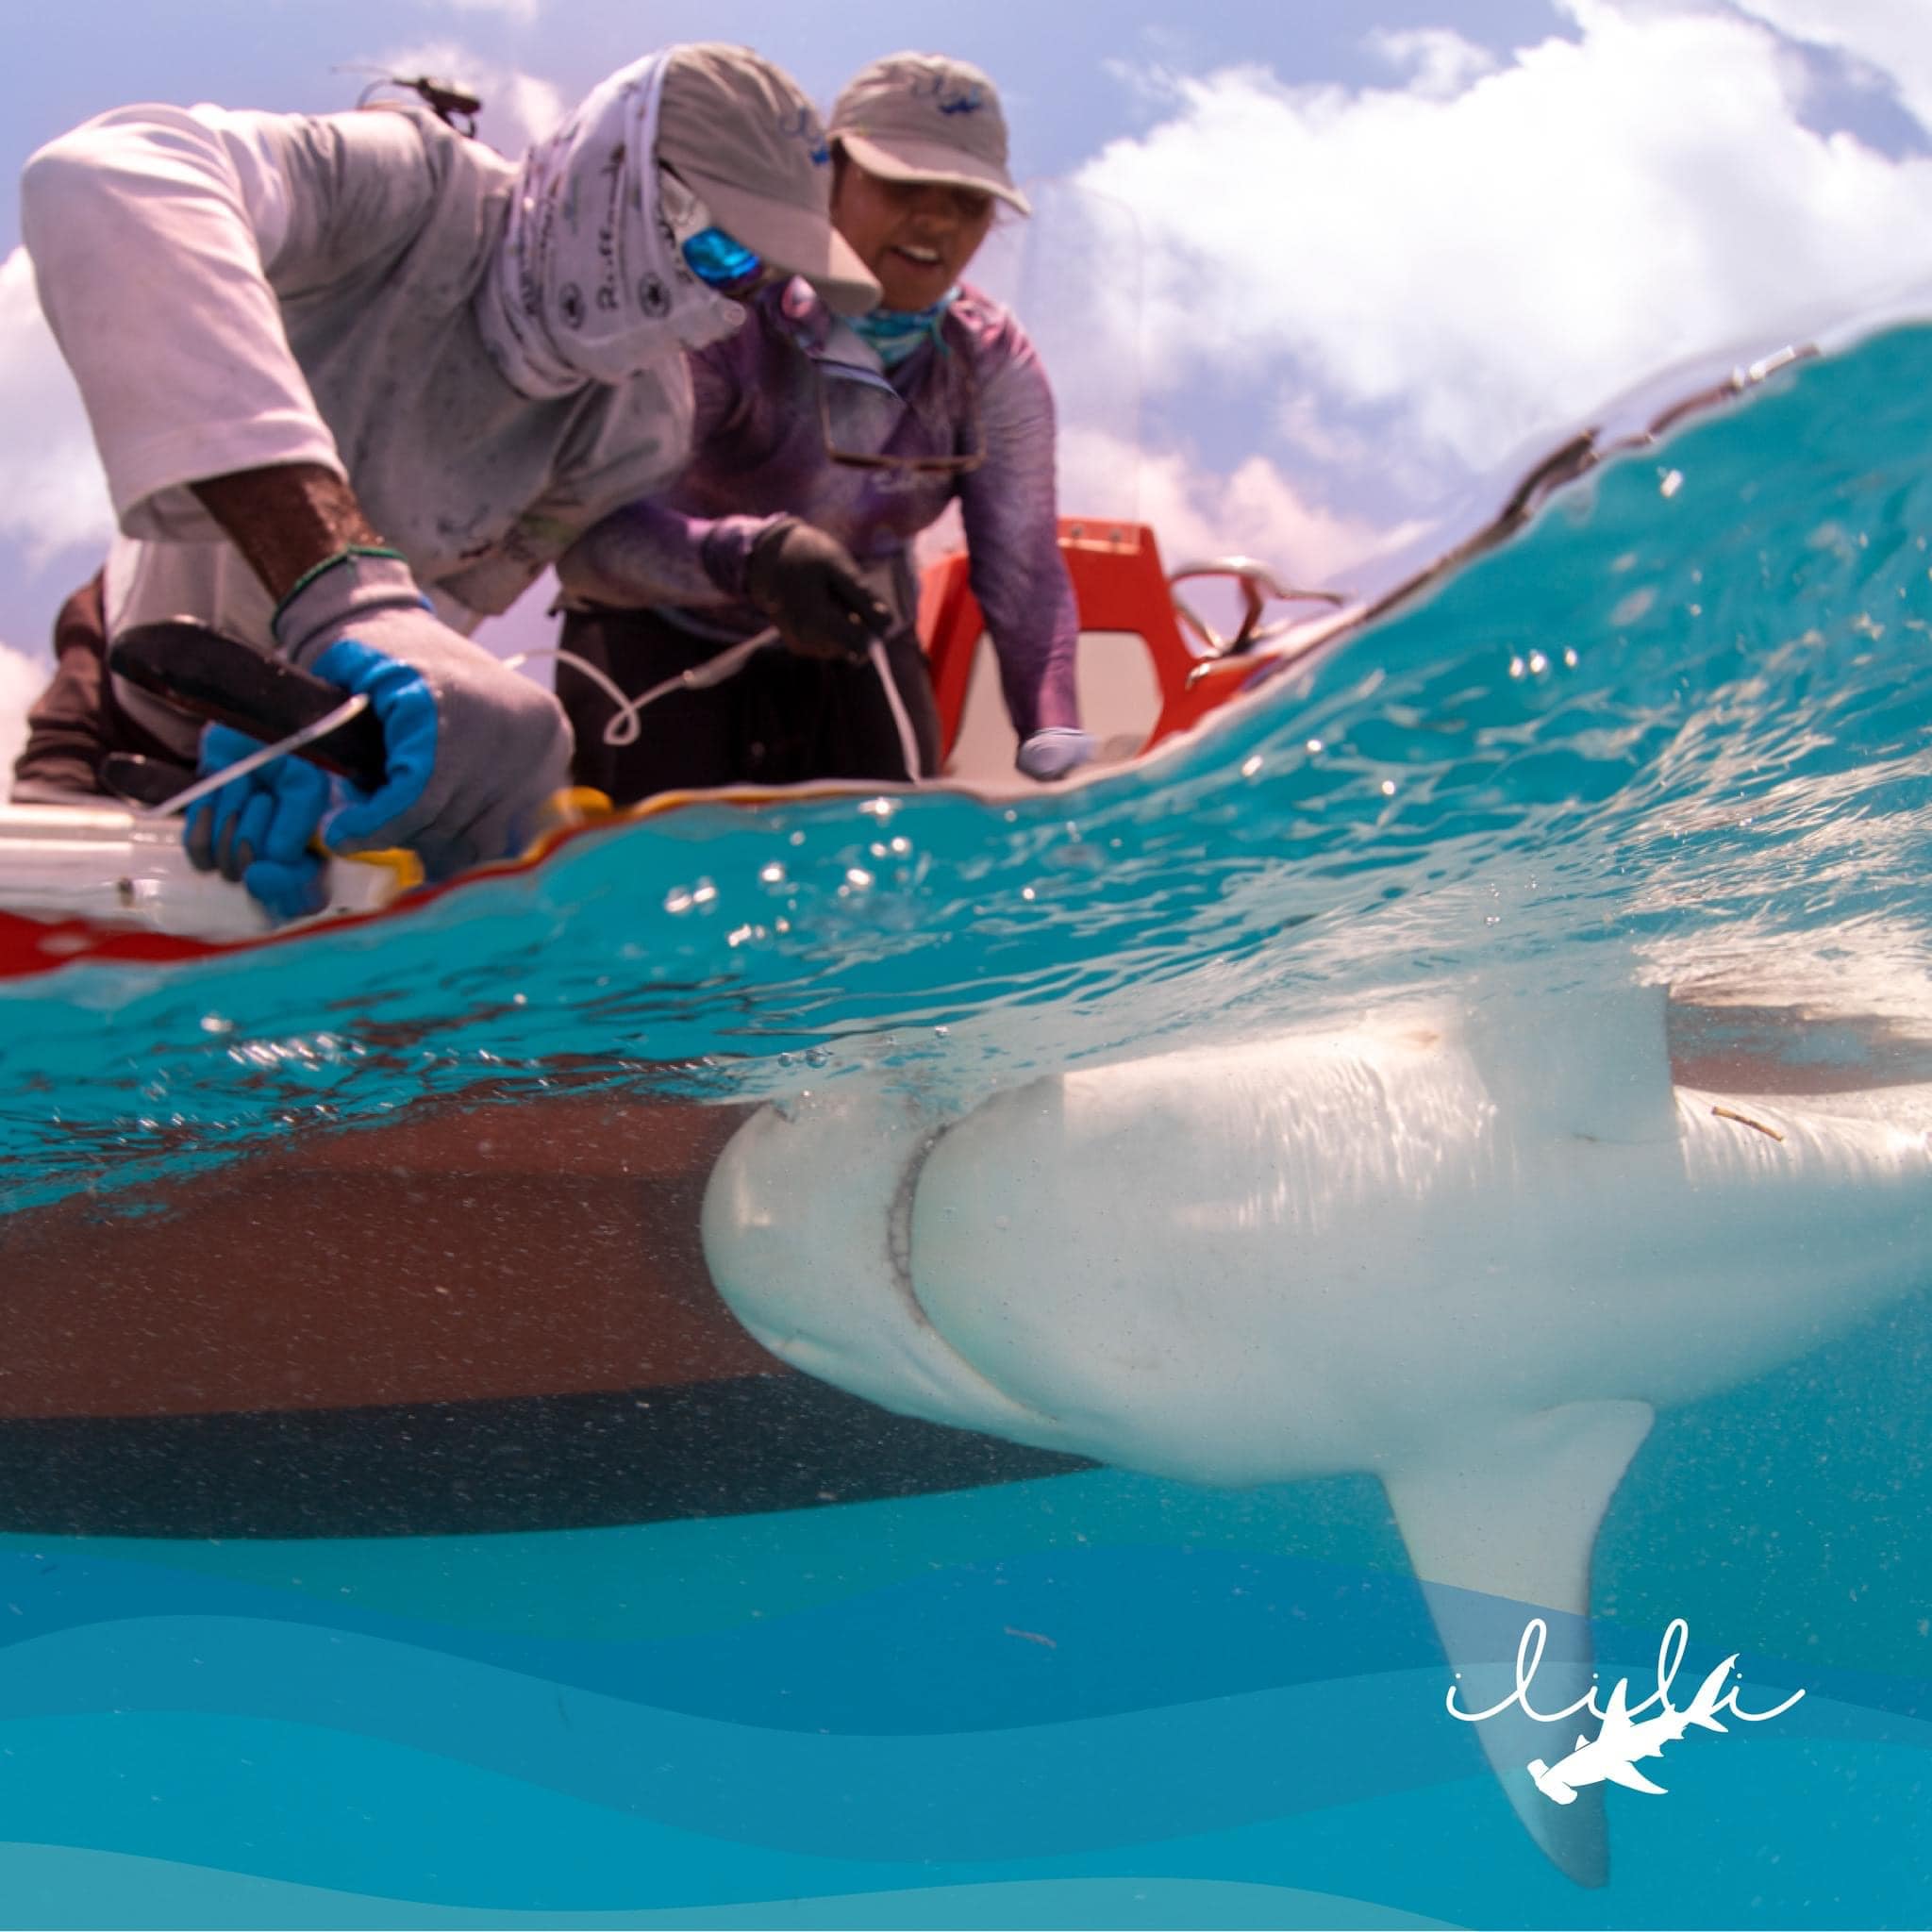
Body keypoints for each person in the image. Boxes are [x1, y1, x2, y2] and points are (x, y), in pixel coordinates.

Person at [8, 45, 878, 917]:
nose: (730, 303)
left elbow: (566, 548)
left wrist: (743, 556)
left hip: (315, 755)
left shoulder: (641, 424)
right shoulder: (409, 189)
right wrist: (345, 594)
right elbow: (108, 176)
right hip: (132, 669)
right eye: (725, 252)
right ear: (617, 171)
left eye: (762, 277)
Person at [550, 51, 1093, 802]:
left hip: (852, 646)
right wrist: (747, 558)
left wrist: (1057, 747)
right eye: (903, 184)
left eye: (968, 201)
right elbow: (584, 538)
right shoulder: (726, 316)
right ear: (826, 178)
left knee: (893, 881)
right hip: (652, 635)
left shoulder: (993, 364)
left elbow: (1026, 581)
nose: (934, 219)